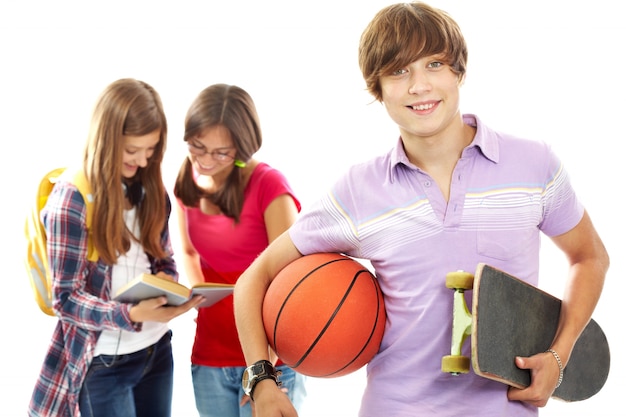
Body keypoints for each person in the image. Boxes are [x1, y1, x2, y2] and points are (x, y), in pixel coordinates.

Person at [233, 2, 609, 417]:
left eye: (434, 64)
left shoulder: (533, 165)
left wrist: (558, 356)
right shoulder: (360, 191)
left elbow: (590, 257)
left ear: (458, 72)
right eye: (398, 71)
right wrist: (262, 378)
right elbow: (256, 278)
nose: (419, 86)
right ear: (377, 88)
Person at [28, 78, 205, 417]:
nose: (141, 161)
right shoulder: (72, 199)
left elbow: (163, 259)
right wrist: (131, 314)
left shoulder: (151, 189)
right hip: (104, 363)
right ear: (107, 139)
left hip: (156, 351)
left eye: (150, 150)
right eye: (131, 150)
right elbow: (66, 298)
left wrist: (171, 292)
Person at [174, 83, 307, 417]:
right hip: (209, 358)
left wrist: (263, 373)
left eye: (221, 153)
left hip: (271, 360)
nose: (204, 161)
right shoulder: (187, 181)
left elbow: (292, 283)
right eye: (197, 147)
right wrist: (199, 296)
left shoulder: (269, 186)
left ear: (243, 148)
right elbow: (189, 253)